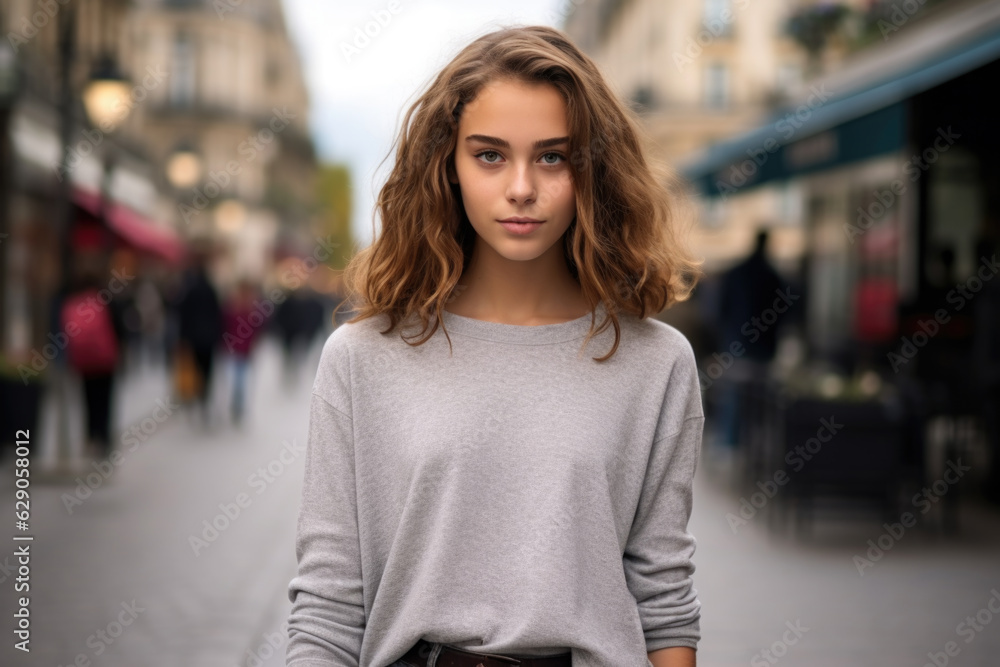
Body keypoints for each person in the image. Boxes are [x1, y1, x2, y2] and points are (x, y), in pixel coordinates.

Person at [286, 25, 704, 667]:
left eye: (552, 157)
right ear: (447, 167)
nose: (520, 188)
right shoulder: (362, 358)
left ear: (592, 171)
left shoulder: (657, 362)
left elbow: (664, 596)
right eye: (488, 155)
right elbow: (328, 604)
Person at [712, 228, 786, 450]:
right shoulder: (773, 276)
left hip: (736, 344)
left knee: (735, 397)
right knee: (760, 401)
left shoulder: (736, 274)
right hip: (762, 348)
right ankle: (754, 445)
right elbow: (782, 313)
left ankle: (730, 444)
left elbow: (720, 311)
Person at [61, 268, 127, 460]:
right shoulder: (105, 301)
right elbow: (119, 328)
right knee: (105, 399)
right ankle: (103, 437)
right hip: (105, 360)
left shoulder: (74, 302)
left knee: (87, 399)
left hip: (83, 362)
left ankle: (90, 437)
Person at [176, 253, 224, 427]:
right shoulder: (211, 290)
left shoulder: (189, 290)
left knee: (195, 368)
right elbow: (219, 314)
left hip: (194, 338)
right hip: (209, 338)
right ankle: (204, 397)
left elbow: (183, 315)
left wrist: (182, 337)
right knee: (207, 369)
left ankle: (197, 395)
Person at [222, 279, 262, 424]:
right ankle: (237, 404)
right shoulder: (235, 306)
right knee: (238, 379)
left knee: (239, 379)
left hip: (242, 350)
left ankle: (237, 405)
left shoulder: (247, 307)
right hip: (236, 349)